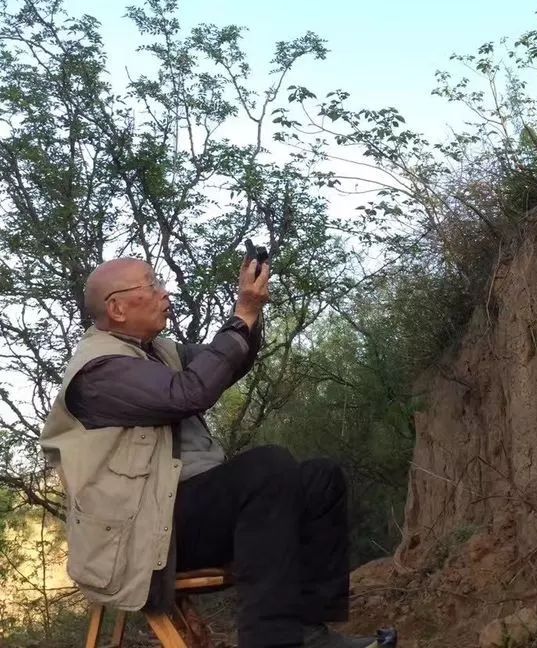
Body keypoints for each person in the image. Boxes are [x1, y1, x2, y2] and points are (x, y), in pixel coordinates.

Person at [40, 253, 377, 648]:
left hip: (182, 515)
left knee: (321, 478)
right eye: (152, 286)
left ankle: (309, 631)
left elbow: (224, 364)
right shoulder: (99, 371)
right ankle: (273, 640)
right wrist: (242, 313)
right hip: (147, 535)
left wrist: (252, 312)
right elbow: (190, 393)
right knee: (267, 467)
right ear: (116, 307)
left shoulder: (158, 350)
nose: (165, 293)